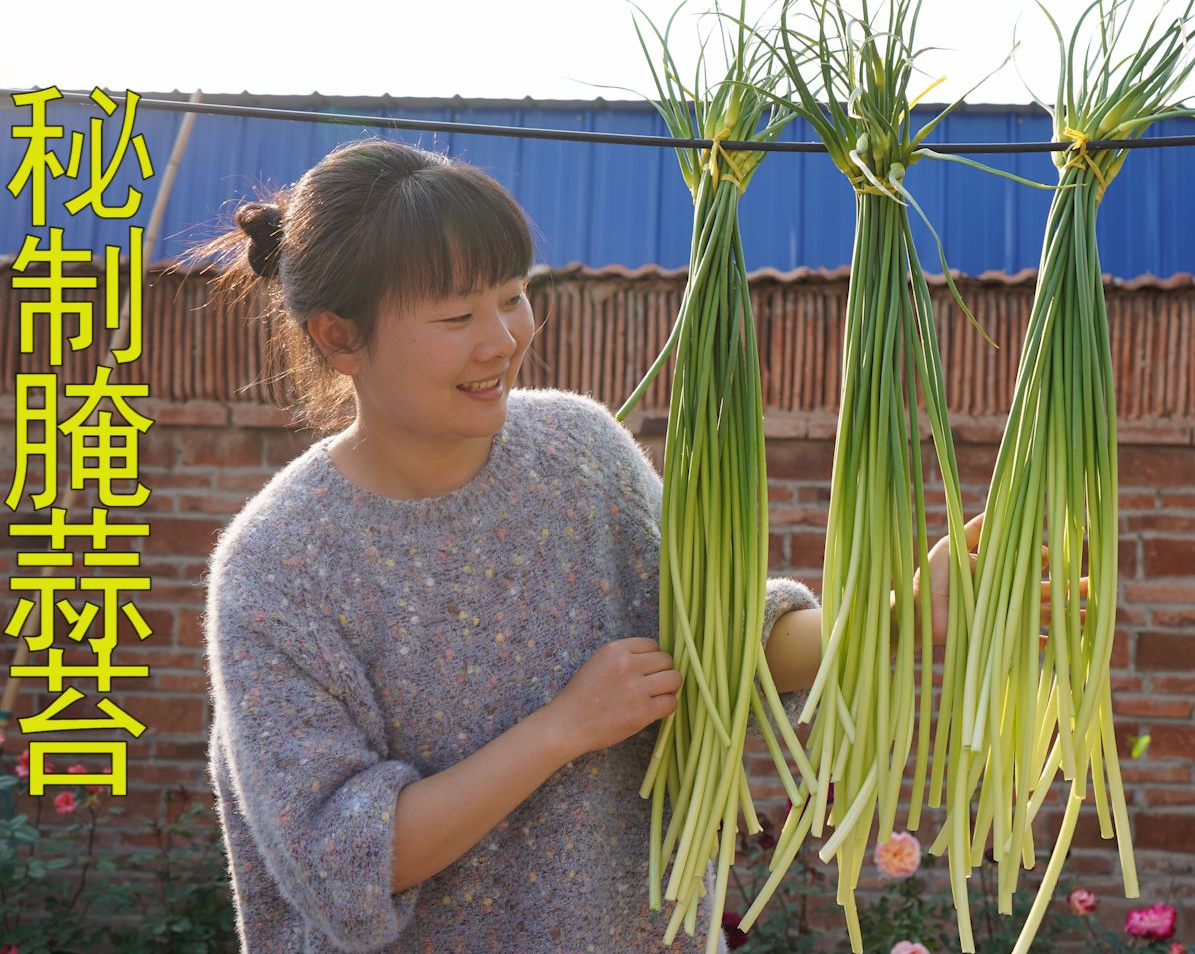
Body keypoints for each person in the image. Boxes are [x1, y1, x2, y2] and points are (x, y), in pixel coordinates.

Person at [193, 138, 978, 954]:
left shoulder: (578, 451)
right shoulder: (280, 564)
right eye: (458, 316)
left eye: (513, 296)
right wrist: (561, 729)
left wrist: (903, 617)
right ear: (340, 338)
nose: (502, 338)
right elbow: (342, 863)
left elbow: (713, 647)